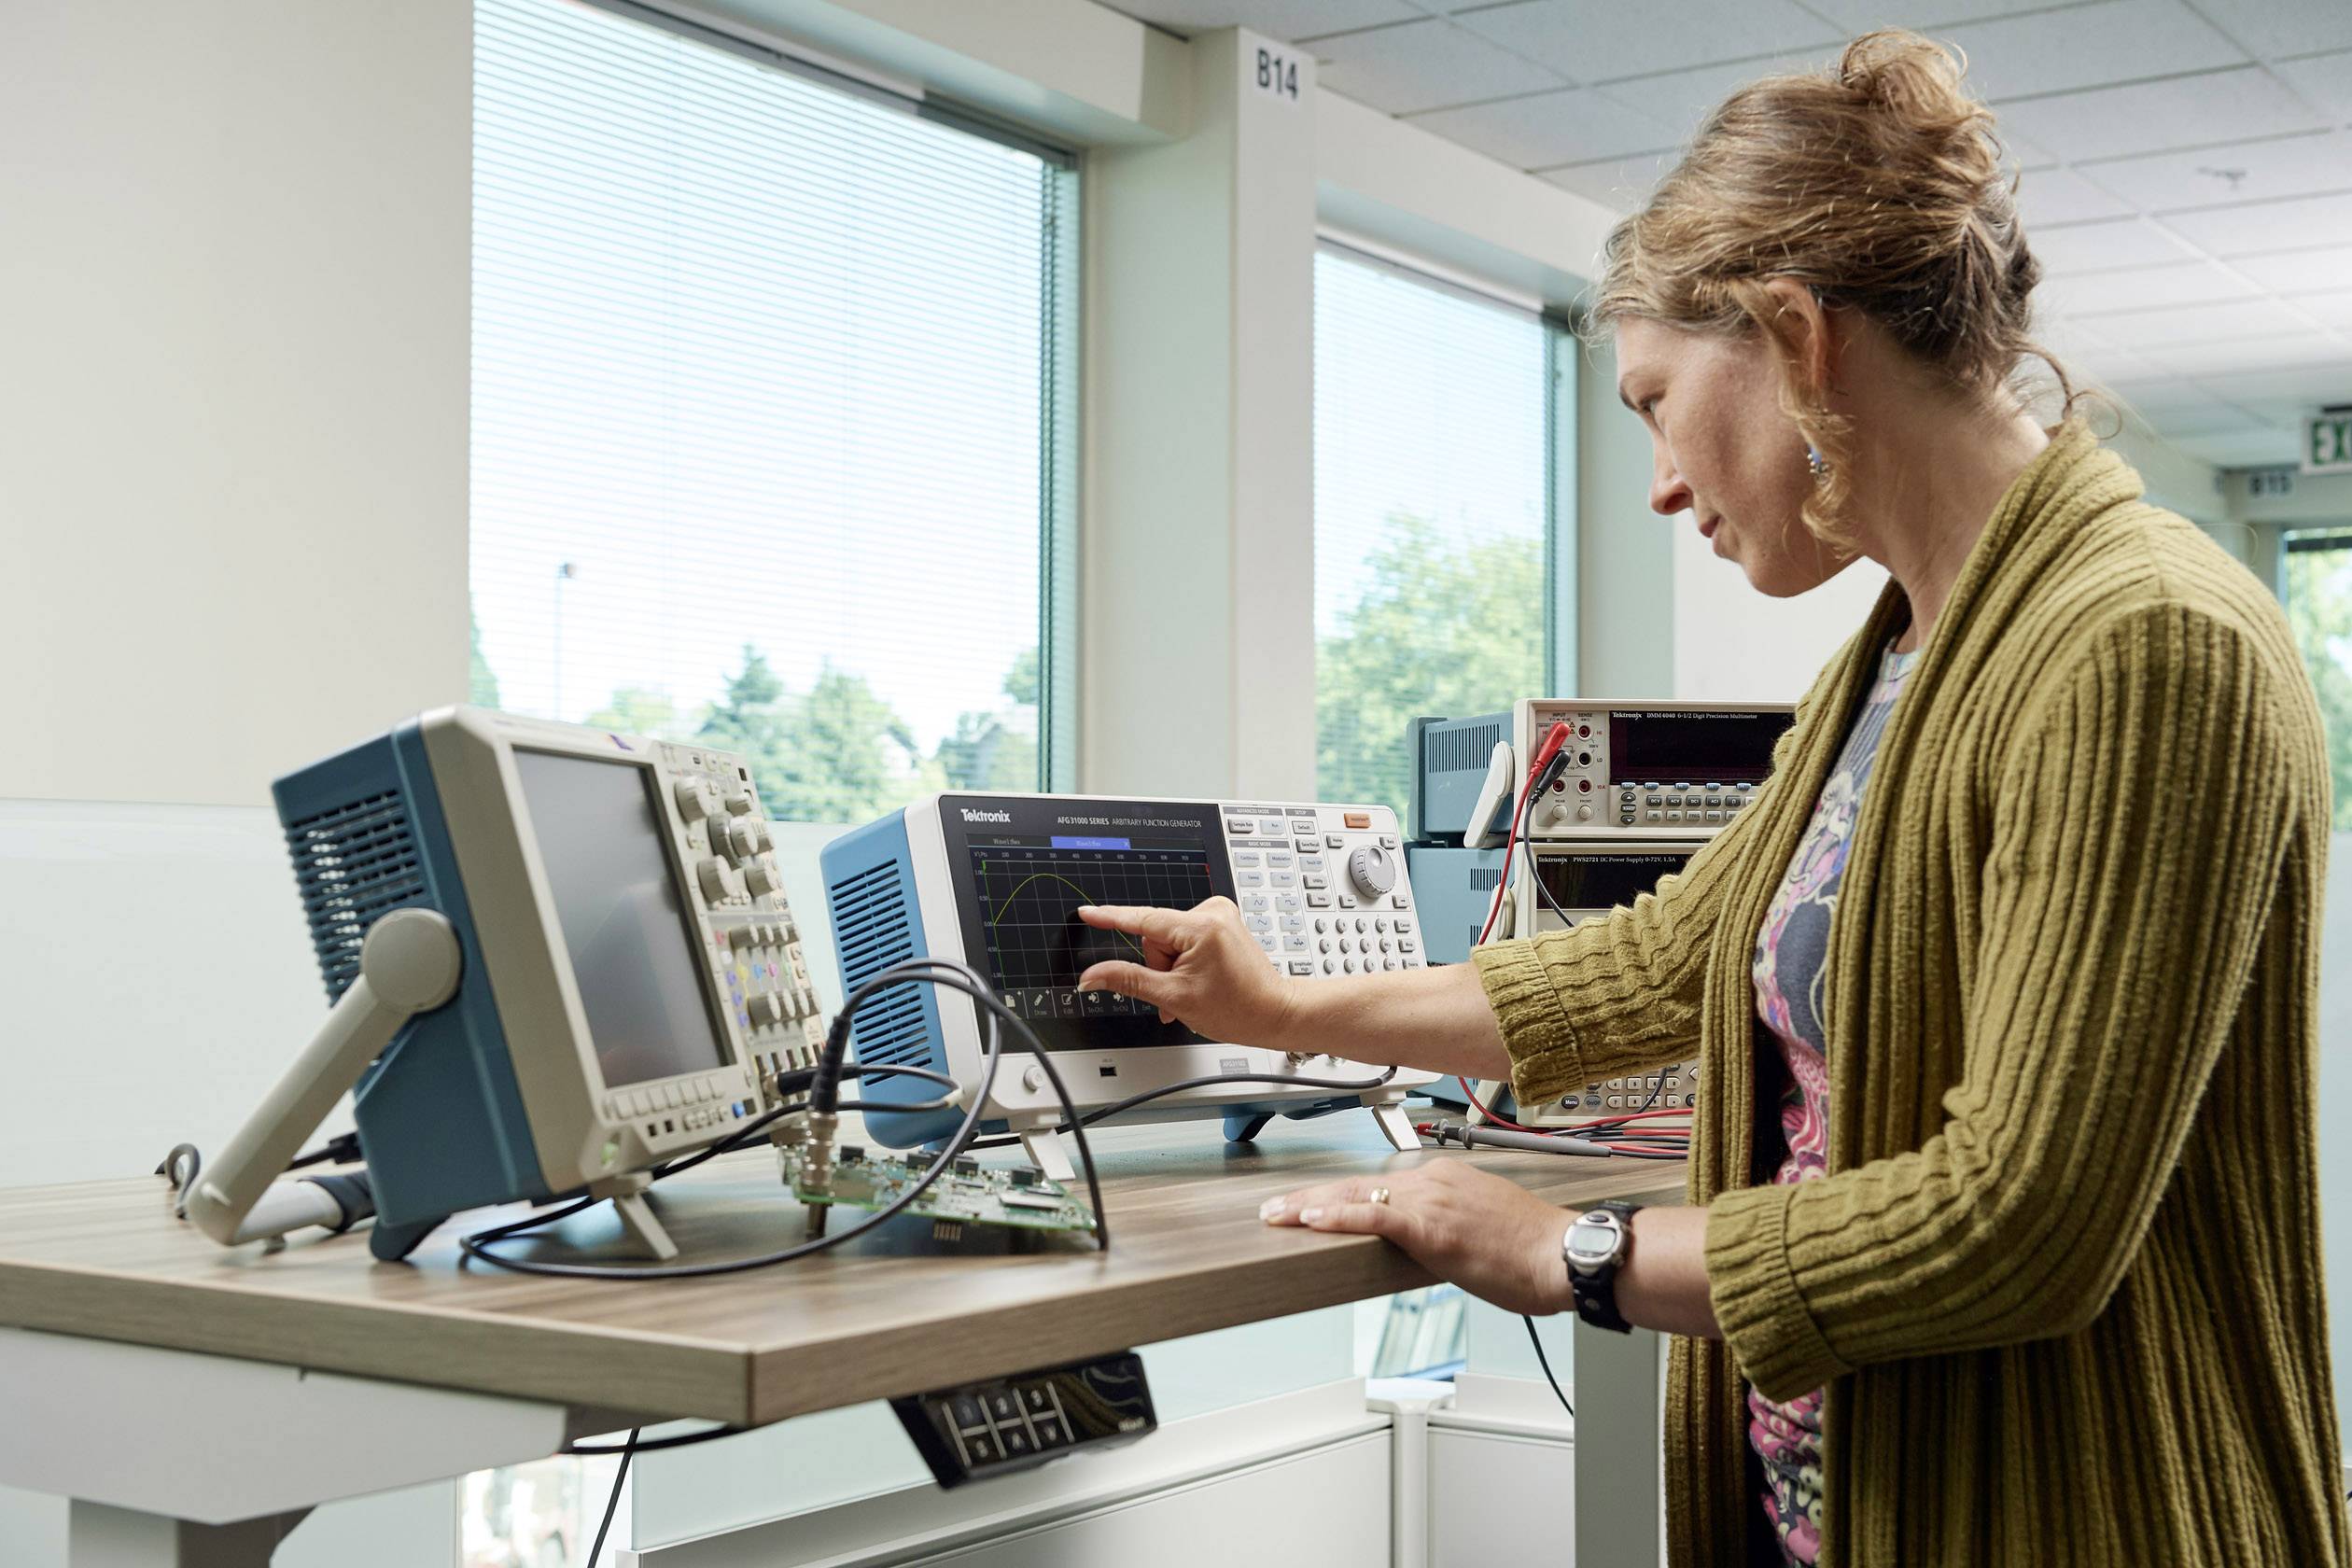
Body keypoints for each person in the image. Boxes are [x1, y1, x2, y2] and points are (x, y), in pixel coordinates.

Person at [1071, 30, 2348, 1568]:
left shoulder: (2141, 640)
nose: (1663, 482)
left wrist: (1573, 1249)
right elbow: (1666, 961)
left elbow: (2019, 1223)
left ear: (1797, 337)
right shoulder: (1904, 652)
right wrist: (1286, 1012)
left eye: (1657, 401)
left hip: (2077, 1517)